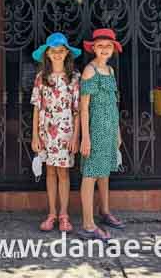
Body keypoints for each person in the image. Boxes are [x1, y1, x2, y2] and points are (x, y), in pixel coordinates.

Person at [30, 32, 81, 232]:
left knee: (63, 173)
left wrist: (76, 137)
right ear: (48, 54)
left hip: (66, 134)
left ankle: (64, 215)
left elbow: (77, 111)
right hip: (46, 133)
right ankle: (51, 213)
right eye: (54, 51)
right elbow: (36, 108)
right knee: (49, 172)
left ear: (67, 53)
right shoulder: (41, 78)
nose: (58, 54)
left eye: (61, 51)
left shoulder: (74, 78)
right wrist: (35, 135)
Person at [79, 28, 125, 240]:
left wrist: (117, 131)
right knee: (91, 175)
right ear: (93, 48)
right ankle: (88, 224)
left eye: (108, 46)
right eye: (100, 46)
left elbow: (114, 103)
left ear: (113, 49)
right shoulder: (90, 71)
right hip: (95, 129)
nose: (104, 49)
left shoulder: (111, 71)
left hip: (109, 128)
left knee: (104, 171)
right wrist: (85, 137)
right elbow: (84, 107)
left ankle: (104, 211)